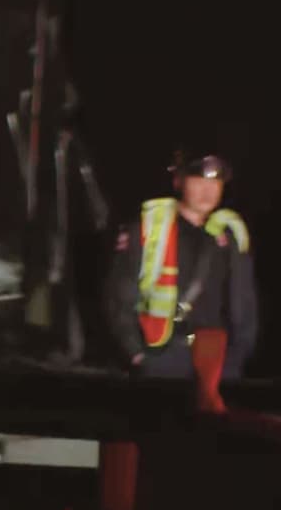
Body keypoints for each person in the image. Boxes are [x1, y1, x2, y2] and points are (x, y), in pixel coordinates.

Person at [105, 147, 256, 379]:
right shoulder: (150, 229)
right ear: (179, 181)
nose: (207, 189)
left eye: (216, 181)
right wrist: (136, 353)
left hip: (217, 356)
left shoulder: (231, 234)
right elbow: (119, 297)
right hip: (163, 354)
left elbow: (244, 302)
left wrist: (239, 354)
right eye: (197, 179)